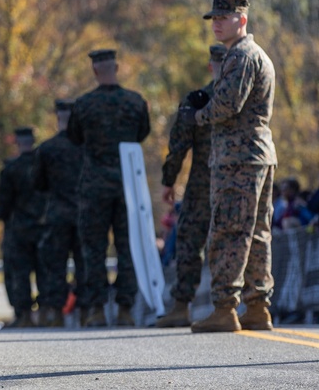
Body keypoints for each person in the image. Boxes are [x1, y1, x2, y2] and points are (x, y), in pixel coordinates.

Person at [186, 0, 277, 333]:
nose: (217, 23)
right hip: (258, 154)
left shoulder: (239, 55)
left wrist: (197, 116)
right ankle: (258, 306)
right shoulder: (257, 55)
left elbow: (227, 105)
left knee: (229, 231)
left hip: (237, 158)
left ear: (242, 19)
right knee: (257, 234)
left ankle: (225, 308)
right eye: (214, 18)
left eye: (224, 17)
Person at [67, 49, 151, 327]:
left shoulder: (83, 105)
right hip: (128, 185)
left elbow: (75, 138)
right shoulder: (135, 102)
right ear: (116, 67)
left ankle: (97, 309)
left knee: (93, 249)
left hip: (94, 187)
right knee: (127, 248)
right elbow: (142, 134)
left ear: (95, 71)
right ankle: (125, 309)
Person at [155, 43, 226, 327]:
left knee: (192, 242)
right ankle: (231, 305)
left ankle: (184, 305)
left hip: (204, 184)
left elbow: (178, 144)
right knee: (228, 241)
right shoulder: (241, 99)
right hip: (227, 184)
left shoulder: (199, 99)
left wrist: (168, 180)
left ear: (211, 66)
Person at [0, 127, 47, 328]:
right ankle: (47, 313)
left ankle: (24, 315)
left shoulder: (11, 169)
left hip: (18, 232)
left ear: (17, 142)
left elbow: (4, 210)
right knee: (45, 272)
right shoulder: (44, 165)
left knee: (19, 274)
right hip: (44, 228)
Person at [33, 99, 84, 327]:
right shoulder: (87, 146)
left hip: (57, 215)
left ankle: (56, 313)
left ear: (58, 118)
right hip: (84, 215)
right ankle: (88, 311)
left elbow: (39, 184)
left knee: (56, 267)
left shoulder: (47, 148)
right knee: (85, 264)